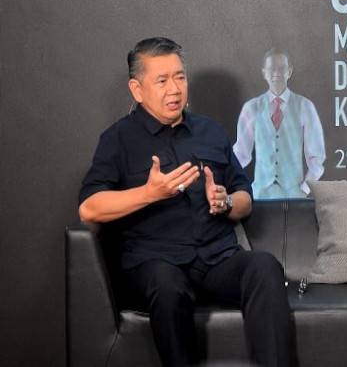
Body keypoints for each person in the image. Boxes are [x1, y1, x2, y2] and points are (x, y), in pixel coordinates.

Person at [79, 37, 294, 367]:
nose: (175, 89)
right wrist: (148, 194)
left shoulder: (210, 131)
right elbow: (90, 208)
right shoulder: (118, 139)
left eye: (180, 77)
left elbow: (245, 199)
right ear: (137, 90)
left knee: (264, 267)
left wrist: (225, 202)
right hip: (155, 263)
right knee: (168, 288)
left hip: (216, 259)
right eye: (162, 80)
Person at [234, 48, 325, 199]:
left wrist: (305, 189)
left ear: (289, 72)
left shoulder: (304, 106)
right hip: (259, 196)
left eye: (281, 68)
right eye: (271, 68)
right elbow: (241, 155)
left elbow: (317, 157)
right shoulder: (251, 108)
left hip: (295, 197)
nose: (276, 72)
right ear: (264, 72)